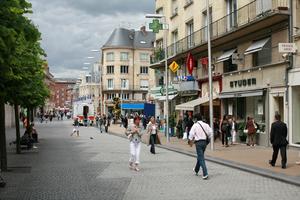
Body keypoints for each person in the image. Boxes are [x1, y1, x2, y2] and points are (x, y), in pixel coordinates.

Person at [188, 114, 212, 180]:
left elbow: (191, 134)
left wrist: (190, 140)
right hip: (204, 142)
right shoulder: (206, 125)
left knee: (201, 158)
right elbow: (211, 132)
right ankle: (196, 169)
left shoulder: (195, 125)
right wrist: (208, 138)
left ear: (196, 119)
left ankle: (205, 173)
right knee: (200, 156)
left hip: (198, 143)